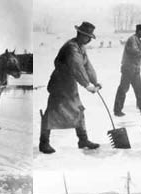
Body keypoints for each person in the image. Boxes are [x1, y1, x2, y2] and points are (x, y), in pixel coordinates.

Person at [39, 21, 101, 154]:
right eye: (87, 36)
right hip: (60, 85)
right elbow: (77, 67)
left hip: (70, 85)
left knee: (79, 110)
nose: (89, 39)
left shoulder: (80, 47)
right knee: (51, 113)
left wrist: (94, 82)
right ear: (79, 34)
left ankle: (83, 140)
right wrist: (87, 85)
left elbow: (87, 66)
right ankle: (44, 143)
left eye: (90, 37)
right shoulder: (71, 48)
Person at [113, 24, 141, 118]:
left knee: (139, 89)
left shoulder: (138, 40)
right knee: (123, 89)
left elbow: (139, 54)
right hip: (128, 69)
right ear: (138, 31)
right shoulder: (132, 39)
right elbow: (134, 52)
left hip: (135, 69)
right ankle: (117, 110)